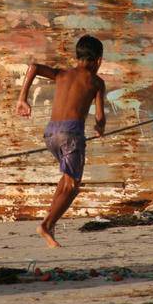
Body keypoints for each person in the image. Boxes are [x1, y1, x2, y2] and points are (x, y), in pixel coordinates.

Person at [16, 35, 106, 248]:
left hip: (51, 135)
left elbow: (34, 67)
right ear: (99, 60)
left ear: (77, 57)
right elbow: (100, 116)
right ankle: (47, 225)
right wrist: (100, 128)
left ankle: (50, 224)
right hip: (71, 134)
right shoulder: (96, 82)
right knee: (73, 186)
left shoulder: (62, 74)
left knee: (66, 181)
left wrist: (22, 99)